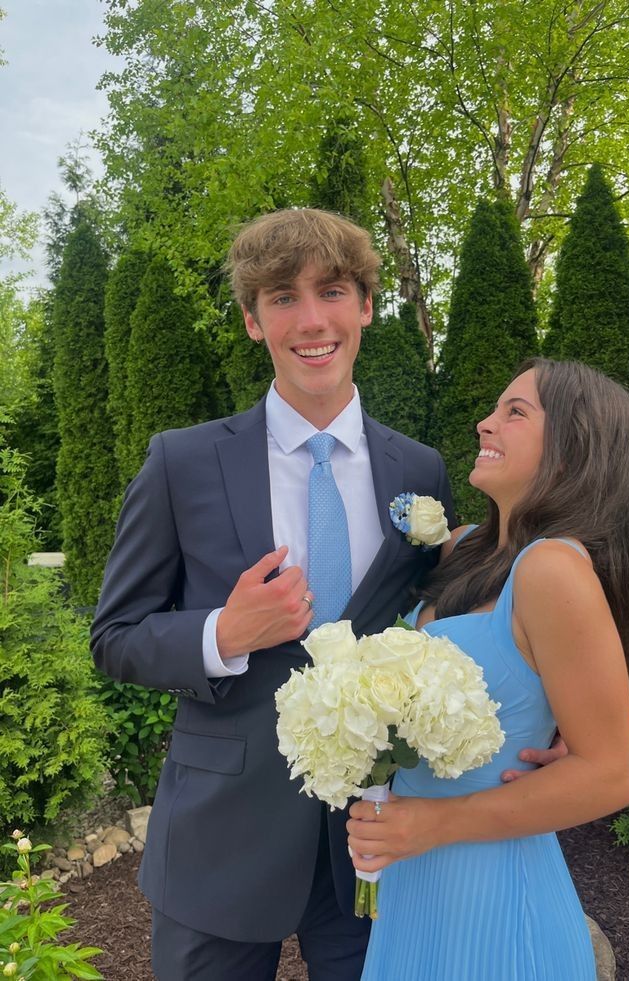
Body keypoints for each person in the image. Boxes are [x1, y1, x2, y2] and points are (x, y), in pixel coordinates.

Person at [91, 208, 456, 980]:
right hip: (219, 842)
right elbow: (115, 635)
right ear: (253, 321)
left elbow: (445, 620)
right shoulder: (181, 464)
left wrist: (536, 716)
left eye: (332, 291)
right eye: (284, 297)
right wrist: (222, 632)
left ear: (366, 307)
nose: (312, 319)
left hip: (372, 847)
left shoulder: (420, 471)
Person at [347, 358, 629, 980]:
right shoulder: (468, 548)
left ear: (576, 449)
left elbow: (612, 775)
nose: (484, 423)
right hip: (414, 882)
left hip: (494, 895)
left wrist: (434, 823)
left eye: (515, 412)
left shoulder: (552, 569)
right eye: (495, 408)